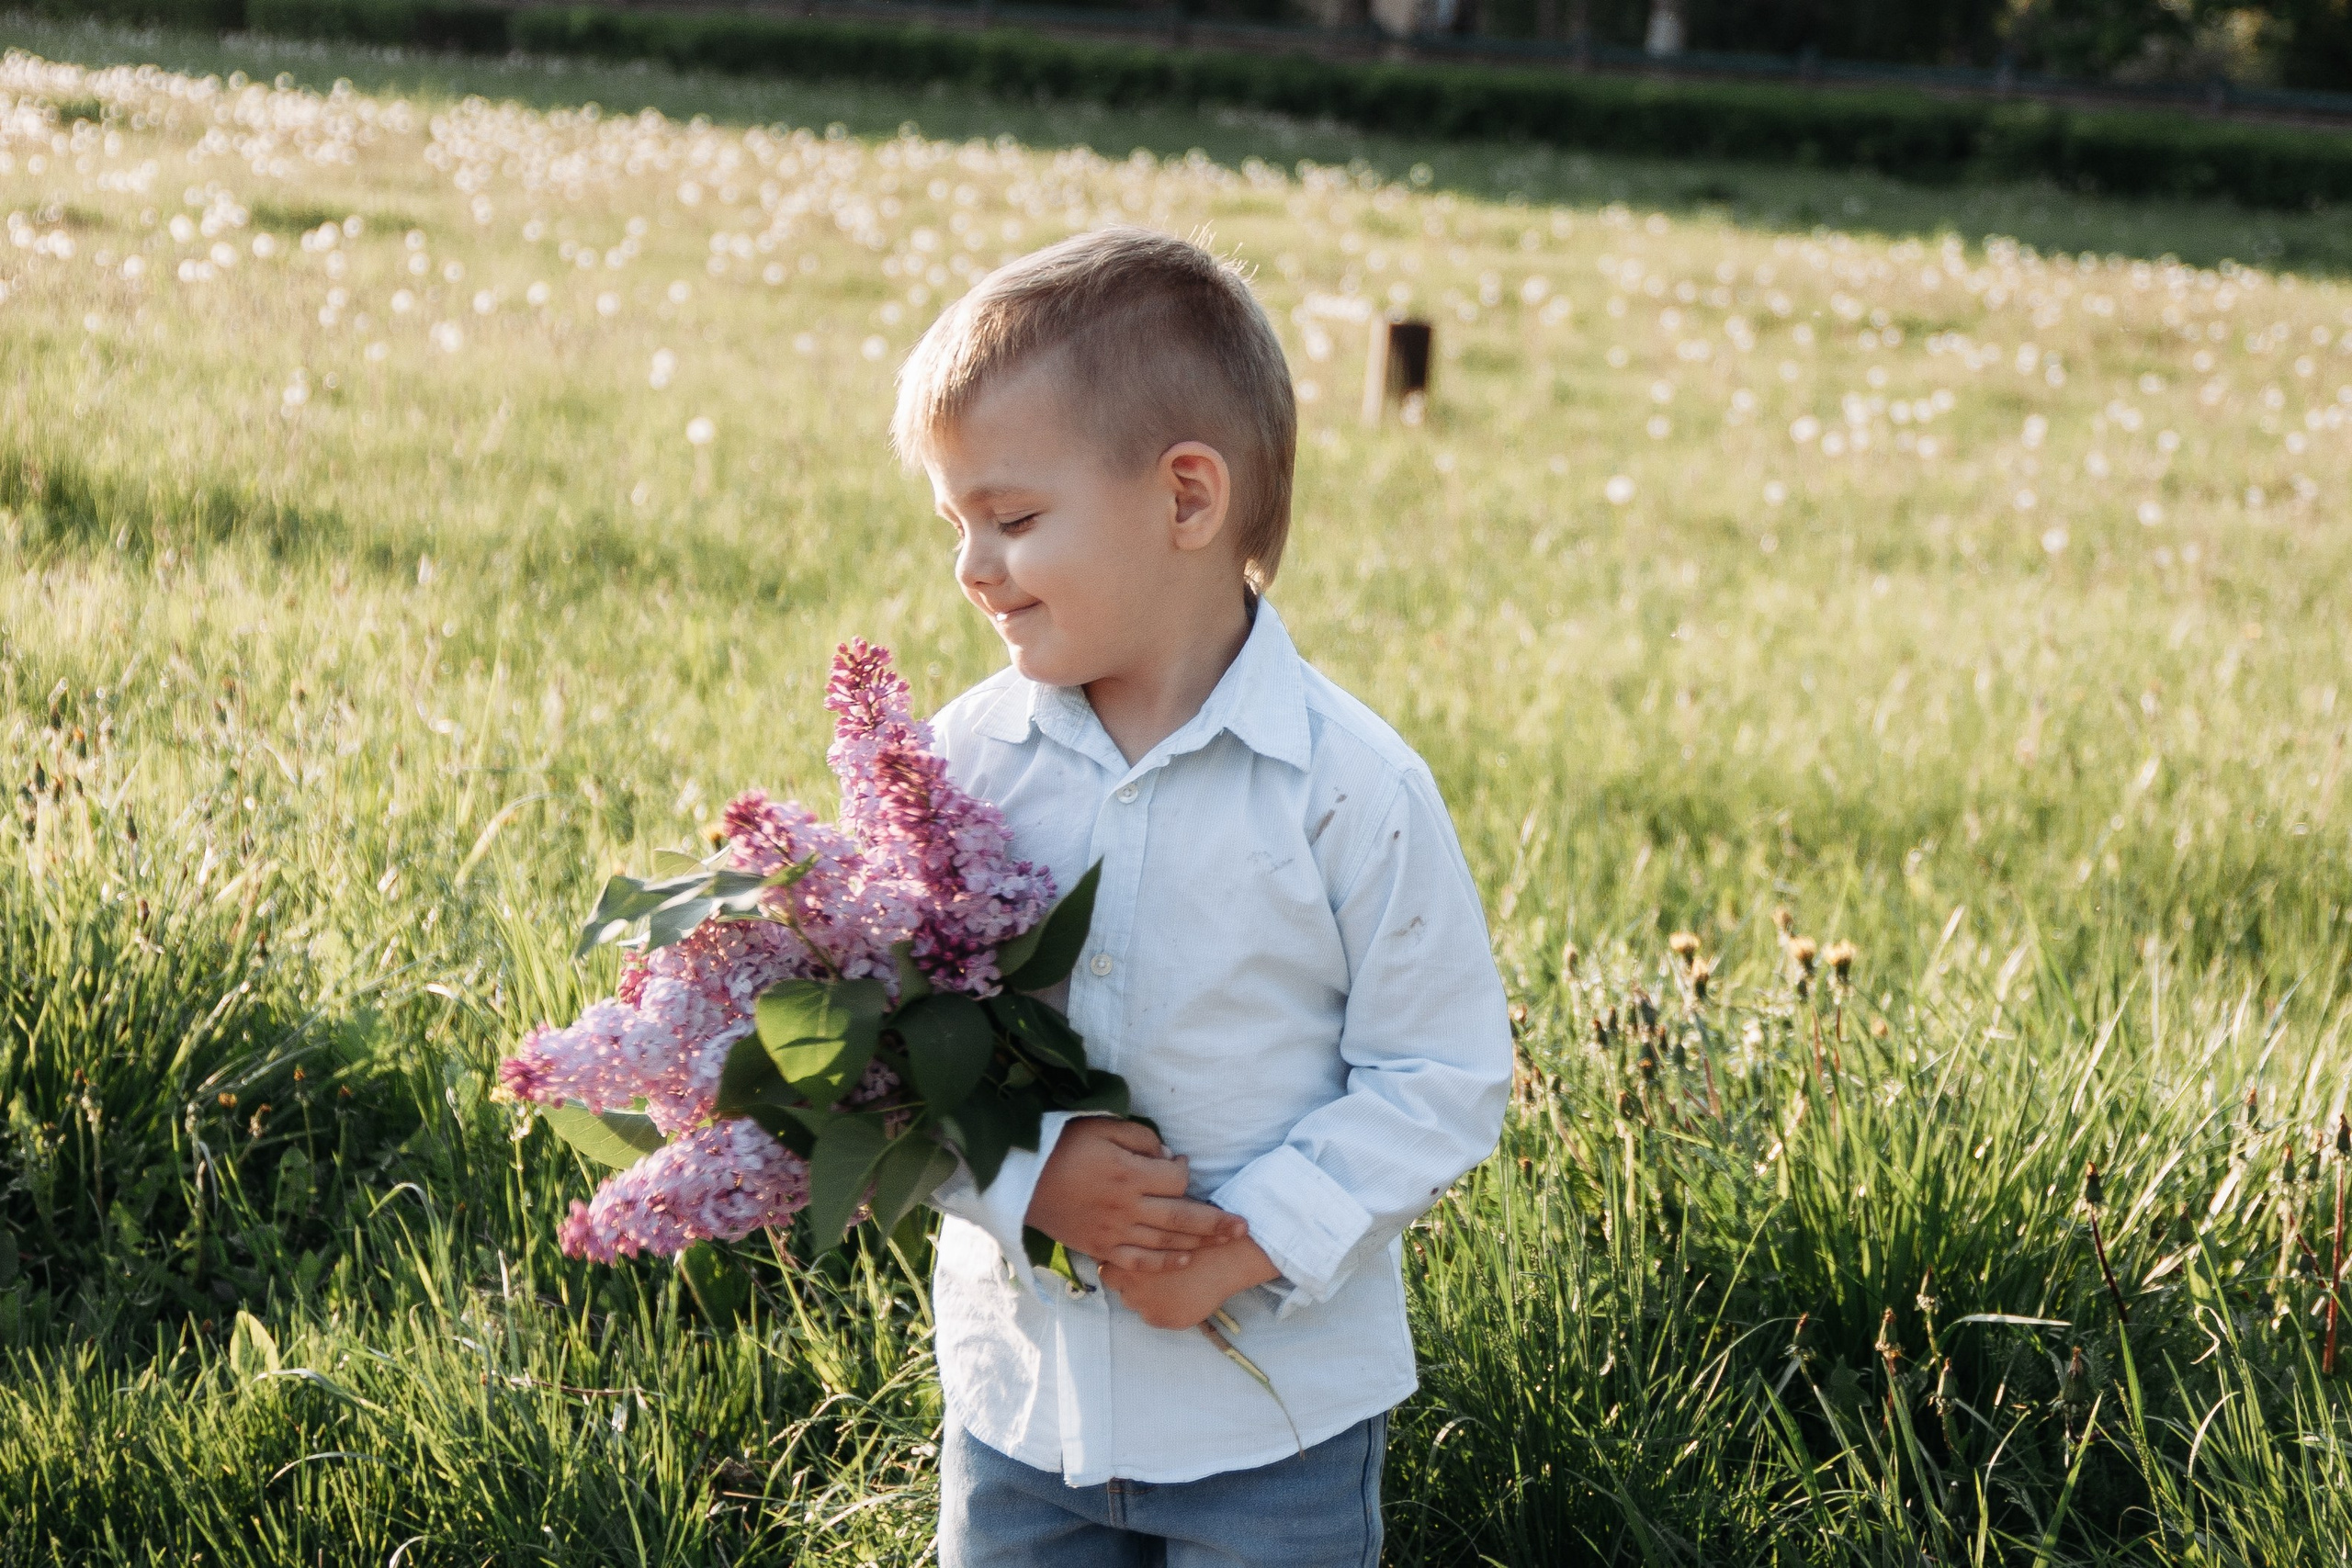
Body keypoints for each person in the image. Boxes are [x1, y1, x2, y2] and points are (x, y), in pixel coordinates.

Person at [894, 226, 1513, 1568]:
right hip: (1024, 1416)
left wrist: (1247, 1246)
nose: (971, 566)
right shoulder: (956, 772)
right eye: (956, 525)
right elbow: (888, 1050)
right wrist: (1028, 1182)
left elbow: (1441, 1071)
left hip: (1270, 1427)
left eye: (1011, 518)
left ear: (1187, 500)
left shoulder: (1349, 788)